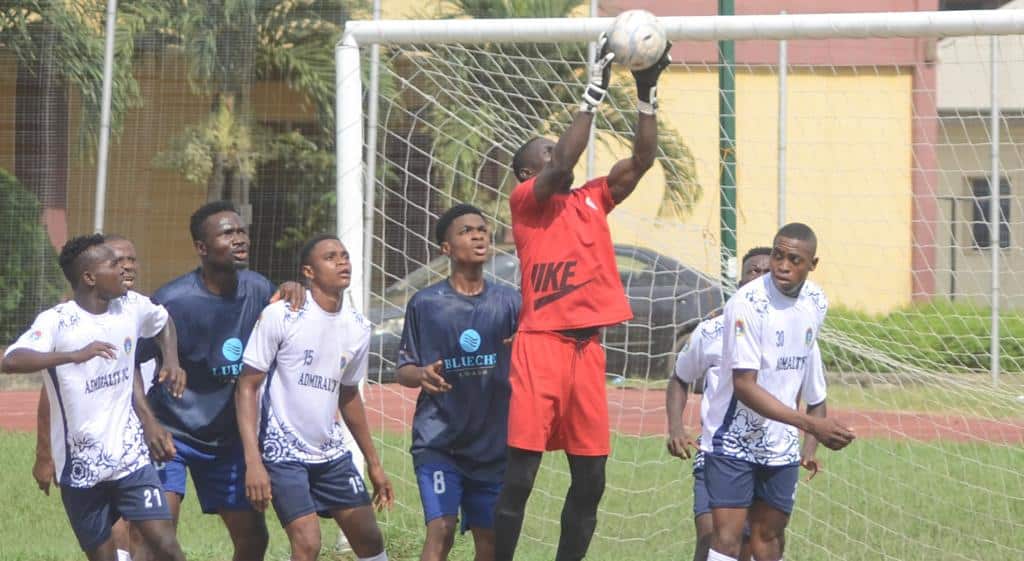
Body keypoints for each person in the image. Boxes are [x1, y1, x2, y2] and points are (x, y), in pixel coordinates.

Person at [494, 35, 671, 561]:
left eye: (558, 145)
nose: (559, 151)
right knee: (522, 475)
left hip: (587, 352)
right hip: (541, 347)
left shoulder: (592, 198)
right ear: (530, 173)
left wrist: (645, 91)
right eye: (547, 151)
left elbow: (640, 160)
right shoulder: (527, 202)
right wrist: (591, 95)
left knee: (591, 478)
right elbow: (561, 167)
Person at [1, 234, 186, 561]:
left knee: (167, 548)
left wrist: (170, 359)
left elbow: (163, 321)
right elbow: (12, 360)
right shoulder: (58, 321)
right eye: (114, 264)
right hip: (81, 470)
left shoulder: (131, 306)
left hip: (131, 459)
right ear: (89, 277)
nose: (124, 269)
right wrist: (73, 356)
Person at [136, 201, 303, 561]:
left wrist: (291, 287)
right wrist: (150, 423)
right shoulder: (172, 301)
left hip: (228, 439)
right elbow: (129, 365)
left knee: (254, 540)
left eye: (241, 231)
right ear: (202, 247)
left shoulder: (260, 290)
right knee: (156, 542)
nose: (239, 239)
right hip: (172, 435)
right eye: (227, 233)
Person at [236, 234, 393, 561]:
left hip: (329, 450)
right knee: (307, 544)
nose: (342, 262)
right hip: (281, 451)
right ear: (308, 271)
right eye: (331, 257)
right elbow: (247, 386)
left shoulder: (358, 328)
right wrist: (253, 461)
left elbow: (348, 394)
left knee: (368, 537)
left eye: (345, 255)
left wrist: (375, 464)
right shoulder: (283, 314)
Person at [705, 223, 856, 561]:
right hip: (733, 439)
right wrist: (811, 424)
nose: (782, 265)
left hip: (781, 444)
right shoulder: (748, 303)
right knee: (728, 539)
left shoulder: (816, 302)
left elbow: (802, 366)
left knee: (768, 536)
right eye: (777, 255)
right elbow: (744, 386)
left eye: (794, 259)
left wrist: (810, 431)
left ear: (812, 265)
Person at [667, 247, 829, 561]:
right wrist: (675, 427)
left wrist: (808, 448)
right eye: (751, 271)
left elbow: (817, 398)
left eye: (764, 271)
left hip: (775, 452)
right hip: (721, 447)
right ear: (739, 280)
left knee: (765, 541)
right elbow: (680, 377)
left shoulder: (798, 331)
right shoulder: (712, 331)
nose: (759, 277)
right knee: (716, 535)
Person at [395, 205, 521, 561]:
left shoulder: (510, 302)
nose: (478, 235)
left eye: (482, 229)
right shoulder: (426, 304)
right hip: (439, 442)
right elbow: (403, 368)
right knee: (441, 530)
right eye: (466, 231)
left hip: (492, 445)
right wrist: (420, 374)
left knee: (491, 540)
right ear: (445, 248)